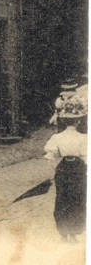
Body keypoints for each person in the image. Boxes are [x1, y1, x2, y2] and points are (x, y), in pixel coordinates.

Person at [43, 95, 87, 242]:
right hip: (79, 169)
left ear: (62, 120)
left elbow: (50, 155)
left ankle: (63, 233)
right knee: (78, 198)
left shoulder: (57, 137)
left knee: (62, 199)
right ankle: (74, 232)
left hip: (63, 169)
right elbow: (86, 155)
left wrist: (53, 171)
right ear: (79, 121)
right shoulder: (83, 138)